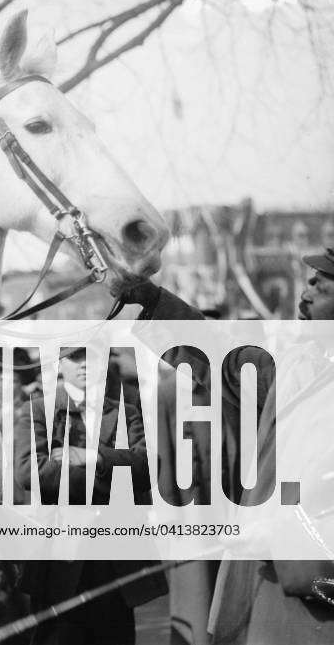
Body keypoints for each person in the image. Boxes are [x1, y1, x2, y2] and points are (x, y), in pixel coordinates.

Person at [122, 251, 334, 644]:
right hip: (264, 598)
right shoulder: (300, 366)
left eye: (321, 285)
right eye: (308, 281)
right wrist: (150, 299)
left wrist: (284, 539)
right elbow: (220, 355)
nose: (304, 295)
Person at [14, 348, 166, 645]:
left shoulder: (127, 412)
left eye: (92, 356)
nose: (84, 364)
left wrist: (91, 457)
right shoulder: (38, 411)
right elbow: (32, 473)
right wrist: (115, 481)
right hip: (59, 557)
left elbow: (147, 469)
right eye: (75, 356)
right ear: (61, 364)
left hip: (115, 557)